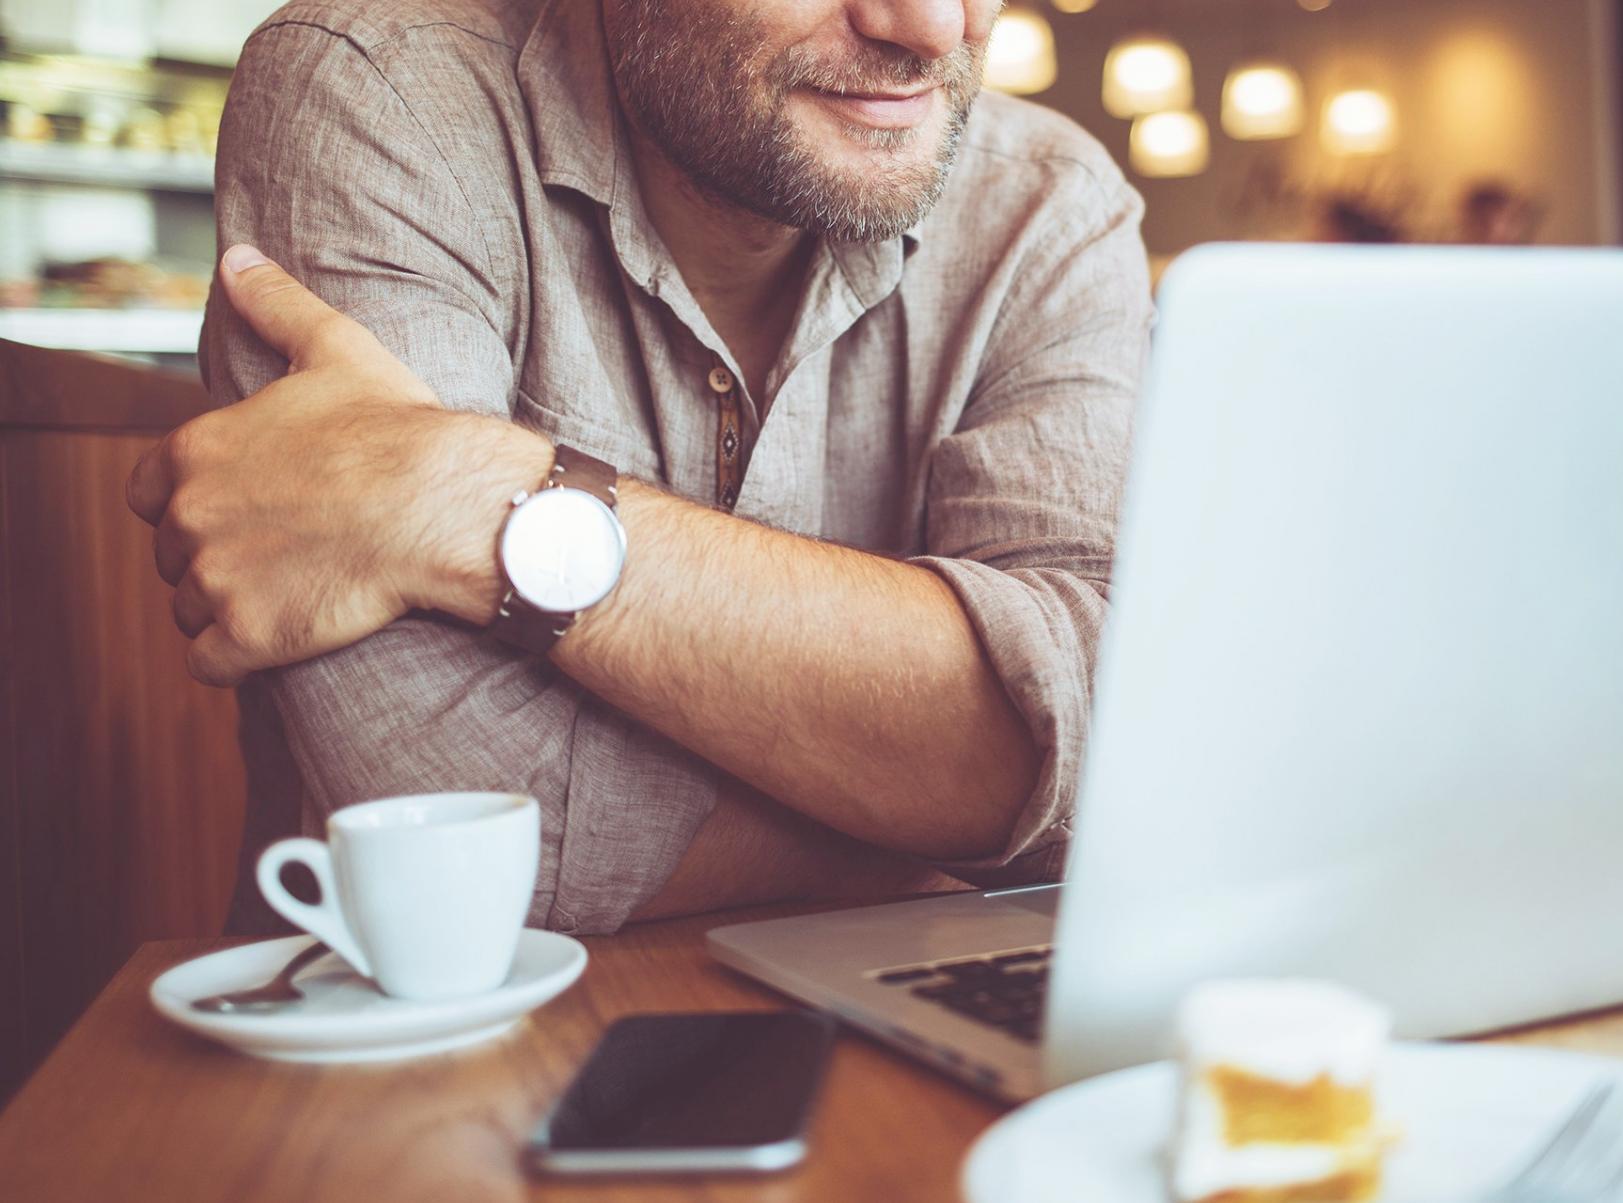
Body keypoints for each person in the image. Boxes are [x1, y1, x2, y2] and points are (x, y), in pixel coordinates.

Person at [124, 0, 1153, 934]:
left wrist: (480, 497)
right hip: (434, 1073)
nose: (931, 28)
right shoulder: (375, 88)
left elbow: (1120, 740)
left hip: (917, 1067)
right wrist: (962, 799)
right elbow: (447, 819)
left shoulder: (1049, 208)